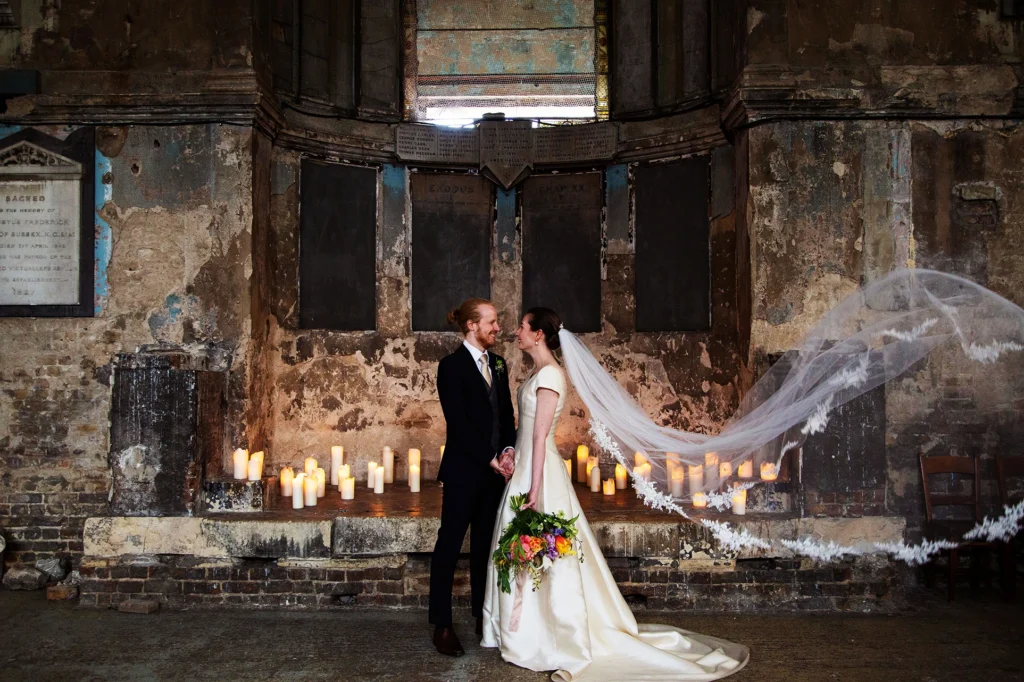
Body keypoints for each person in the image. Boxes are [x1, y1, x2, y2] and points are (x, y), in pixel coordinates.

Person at [481, 307, 749, 681]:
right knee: (528, 552)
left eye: (522, 327)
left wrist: (534, 487)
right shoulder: (538, 373)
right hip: (526, 468)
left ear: (538, 334)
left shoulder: (549, 376)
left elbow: (541, 436)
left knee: (543, 552)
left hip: (538, 475)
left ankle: (547, 636)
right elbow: (526, 434)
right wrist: (513, 458)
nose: (516, 332)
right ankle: (524, 628)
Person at [429, 298, 517, 657]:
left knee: (485, 548)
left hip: (495, 475)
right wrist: (488, 458)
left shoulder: (498, 363)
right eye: (492, 322)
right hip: (465, 471)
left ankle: (483, 619)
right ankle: (442, 625)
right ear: (471, 326)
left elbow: (507, 415)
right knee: (449, 546)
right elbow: (459, 424)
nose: (497, 328)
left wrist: (509, 450)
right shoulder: (450, 366)